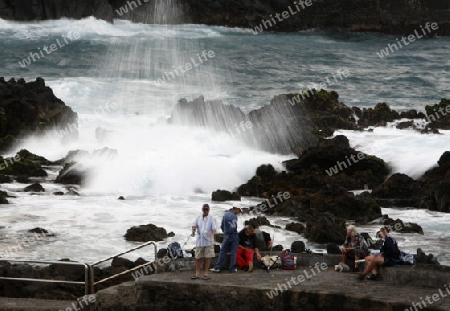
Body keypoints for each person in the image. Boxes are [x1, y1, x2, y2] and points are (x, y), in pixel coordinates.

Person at [210, 206, 241, 273]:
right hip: (234, 235)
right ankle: (232, 269)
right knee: (233, 253)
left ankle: (217, 267)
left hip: (226, 236)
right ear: (235, 209)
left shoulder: (225, 215)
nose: (239, 212)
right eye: (239, 210)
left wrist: (225, 232)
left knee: (222, 251)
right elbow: (233, 227)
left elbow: (221, 226)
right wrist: (231, 232)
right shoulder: (234, 216)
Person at [191, 204, 217, 280]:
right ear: (202, 210)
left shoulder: (212, 218)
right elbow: (193, 225)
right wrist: (193, 229)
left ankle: (206, 274)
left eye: (206, 209)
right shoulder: (198, 217)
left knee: (207, 258)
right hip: (200, 241)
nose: (205, 211)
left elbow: (214, 229)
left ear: (208, 210)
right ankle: (197, 274)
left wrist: (208, 233)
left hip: (208, 241)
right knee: (198, 258)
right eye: (204, 209)